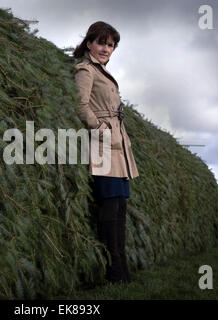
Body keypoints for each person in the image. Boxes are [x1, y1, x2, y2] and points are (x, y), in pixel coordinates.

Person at [72, 21, 140, 283]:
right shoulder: (86, 69)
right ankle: (113, 272)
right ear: (89, 43)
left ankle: (122, 272)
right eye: (101, 42)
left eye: (110, 45)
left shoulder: (101, 71)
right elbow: (80, 106)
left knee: (120, 211)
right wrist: (102, 130)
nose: (105, 49)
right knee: (109, 214)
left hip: (118, 150)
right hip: (102, 148)